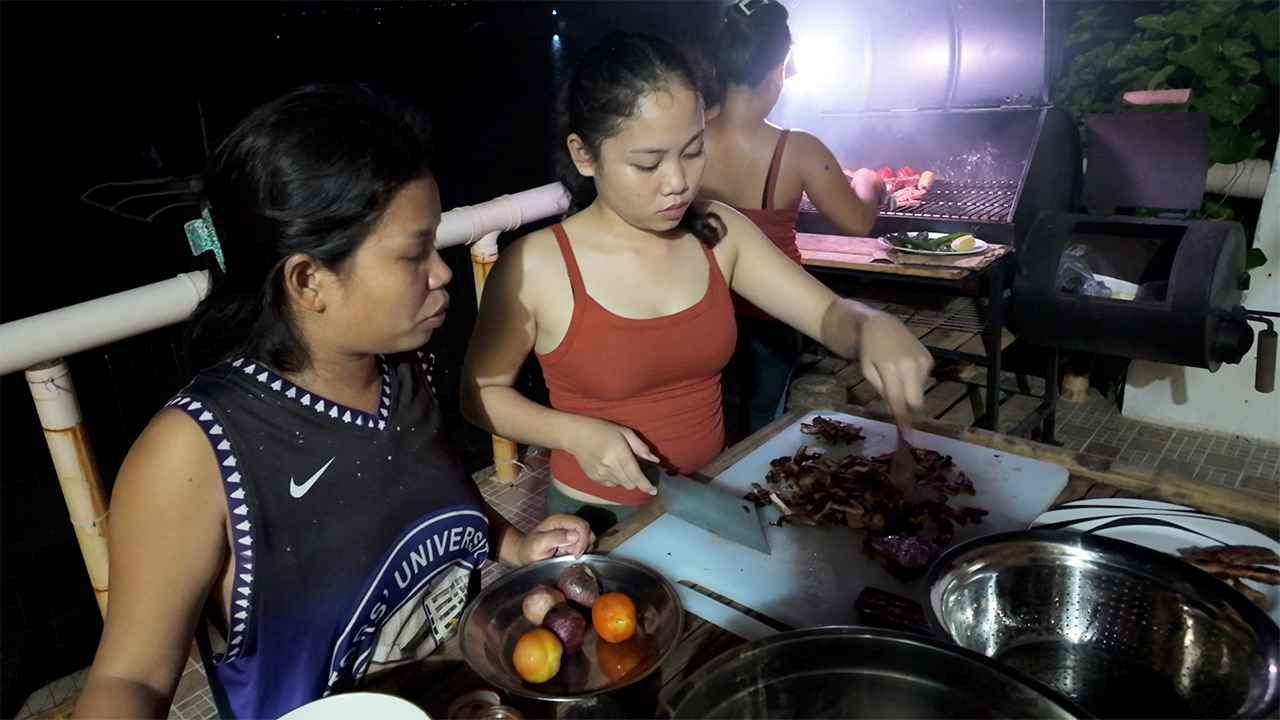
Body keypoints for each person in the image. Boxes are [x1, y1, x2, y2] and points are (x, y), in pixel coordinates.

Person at [74, 83, 593, 720]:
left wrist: (515, 545)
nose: (443, 271)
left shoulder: (402, 364)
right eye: (413, 253)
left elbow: (434, 495)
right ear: (309, 280)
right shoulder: (197, 450)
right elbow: (131, 681)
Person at [460, 33, 931, 535]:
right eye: (648, 163)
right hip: (595, 521)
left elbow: (825, 314)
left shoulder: (718, 233)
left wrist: (870, 325)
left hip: (711, 499)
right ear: (583, 155)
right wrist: (571, 432)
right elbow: (480, 392)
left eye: (692, 151)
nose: (678, 182)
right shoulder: (536, 263)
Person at [700, 0, 888, 434]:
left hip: (702, 310)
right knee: (762, 420)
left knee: (711, 417)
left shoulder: (686, 137)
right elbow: (858, 222)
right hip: (772, 316)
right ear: (777, 72)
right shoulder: (798, 148)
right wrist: (867, 178)